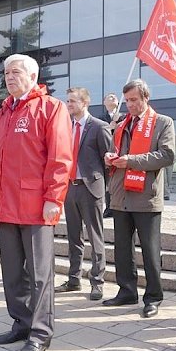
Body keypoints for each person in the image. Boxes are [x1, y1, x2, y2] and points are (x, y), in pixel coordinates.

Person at [0, 54, 73, 351]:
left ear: (33, 76)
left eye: (16, 72)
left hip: (36, 208)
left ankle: (41, 333)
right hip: (6, 207)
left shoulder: (51, 108)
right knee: (12, 273)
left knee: (40, 275)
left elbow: (61, 158)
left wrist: (53, 198)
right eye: (6, 72)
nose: (9, 76)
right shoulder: (0, 115)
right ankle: (21, 322)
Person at [102, 79, 175, 318]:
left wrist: (131, 160)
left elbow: (166, 155)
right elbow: (120, 153)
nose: (130, 105)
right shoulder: (122, 124)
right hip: (121, 194)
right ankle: (126, 291)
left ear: (145, 98)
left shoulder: (163, 122)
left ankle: (153, 296)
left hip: (146, 196)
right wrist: (111, 156)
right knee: (122, 249)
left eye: (134, 100)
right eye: (127, 101)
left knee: (149, 250)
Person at [55, 87, 111, 300]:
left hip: (91, 188)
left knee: (95, 237)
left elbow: (108, 161)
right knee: (73, 237)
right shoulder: (65, 127)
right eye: (67, 101)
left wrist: (103, 189)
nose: (68, 105)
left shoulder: (99, 127)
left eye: (72, 101)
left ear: (84, 103)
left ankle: (97, 281)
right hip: (69, 188)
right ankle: (73, 279)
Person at [100, 93, 126, 218]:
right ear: (104, 102)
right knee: (108, 182)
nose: (113, 97)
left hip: (121, 152)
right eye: (109, 97)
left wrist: (118, 123)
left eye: (115, 96)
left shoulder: (124, 117)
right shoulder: (101, 119)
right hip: (106, 153)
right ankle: (109, 207)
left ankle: (120, 206)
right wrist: (109, 127)